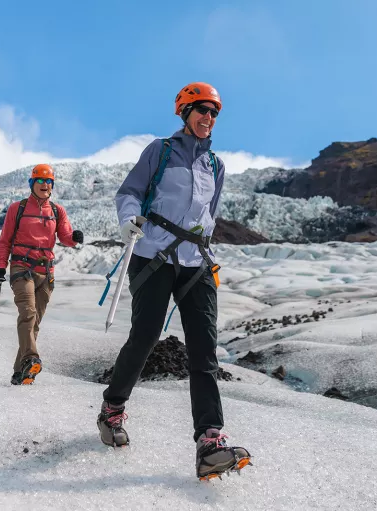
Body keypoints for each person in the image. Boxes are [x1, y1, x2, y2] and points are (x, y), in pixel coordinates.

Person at [97, 82, 251, 480]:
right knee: (145, 336)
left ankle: (209, 440)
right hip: (153, 255)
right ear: (185, 112)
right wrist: (129, 218)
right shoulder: (160, 151)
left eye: (214, 112)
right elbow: (129, 192)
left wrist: (206, 255)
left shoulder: (215, 166)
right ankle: (113, 407)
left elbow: (210, 215)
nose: (208, 118)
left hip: (196, 260)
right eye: (201, 110)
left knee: (204, 349)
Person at [0, 164, 83, 385]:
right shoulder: (18, 208)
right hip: (21, 268)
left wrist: (75, 238)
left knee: (34, 324)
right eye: (40, 181)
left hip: (46, 272)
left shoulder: (57, 211)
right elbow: (5, 240)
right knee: (28, 313)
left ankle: (20, 373)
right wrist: (1, 266)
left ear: (52, 185)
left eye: (48, 181)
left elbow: (65, 237)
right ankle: (31, 358)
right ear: (32, 184)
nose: (45, 185)